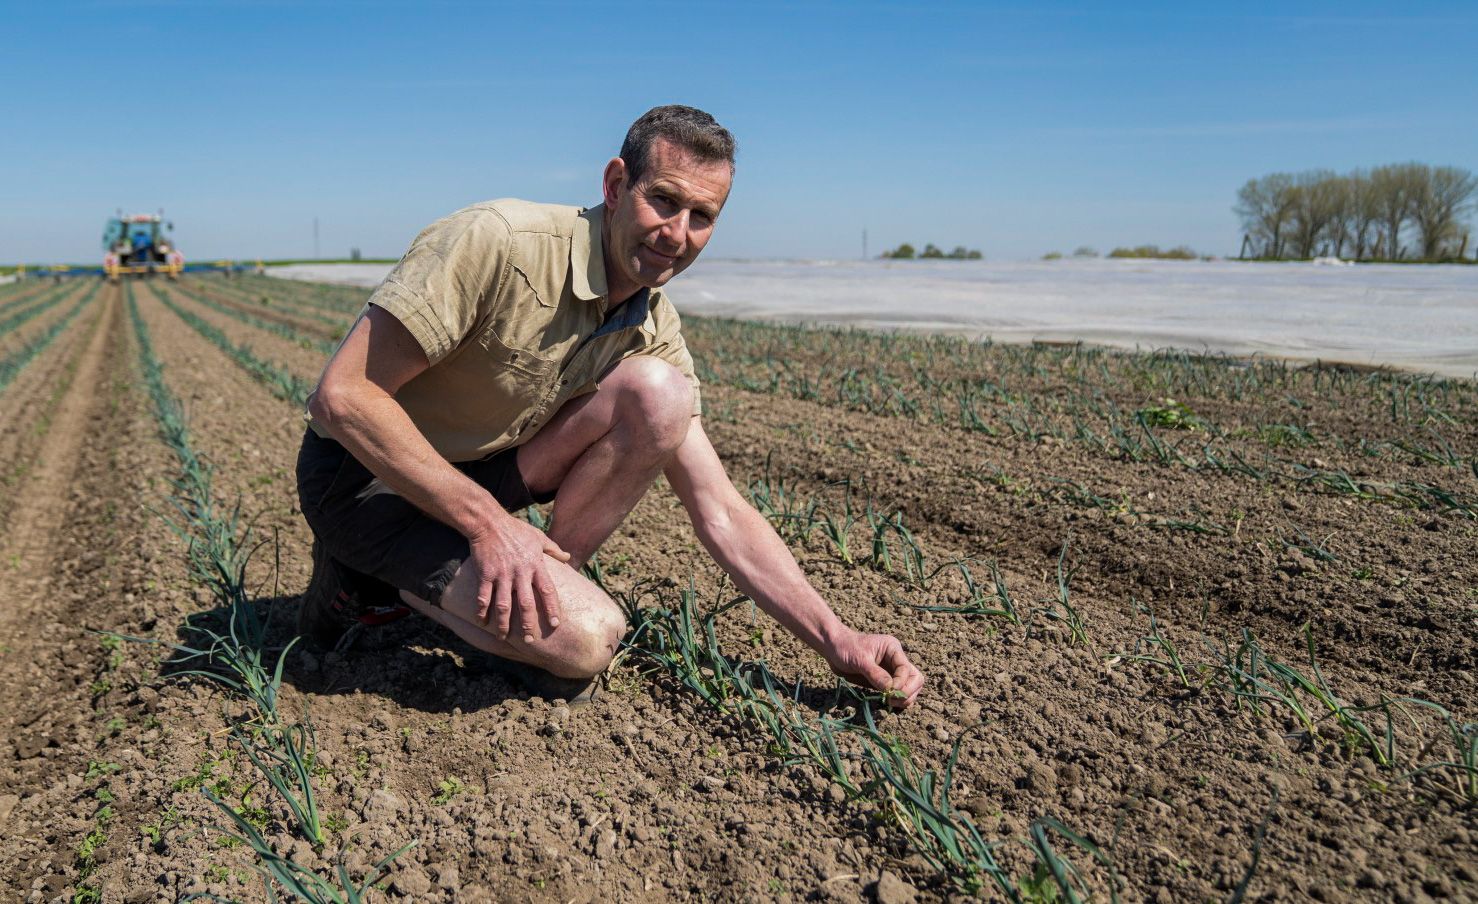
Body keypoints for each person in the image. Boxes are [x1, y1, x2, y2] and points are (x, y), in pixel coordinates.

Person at [295, 104, 924, 708]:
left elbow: (722, 511)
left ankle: (521, 598)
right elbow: (344, 396)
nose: (677, 235)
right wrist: (491, 525)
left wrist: (837, 639)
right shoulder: (498, 243)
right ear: (617, 184)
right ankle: (361, 579)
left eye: (702, 216)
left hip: (476, 470)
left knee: (659, 396)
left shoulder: (652, 323)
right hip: (367, 481)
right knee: (590, 639)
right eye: (665, 200)